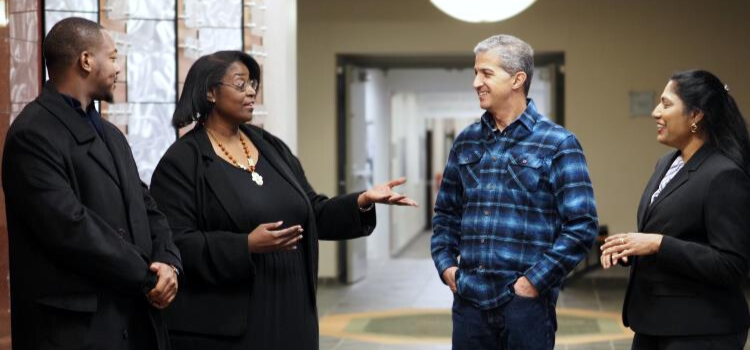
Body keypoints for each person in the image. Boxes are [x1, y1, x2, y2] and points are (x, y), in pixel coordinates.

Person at [149, 50, 417, 350]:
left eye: (253, 84)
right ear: (211, 92)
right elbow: (176, 243)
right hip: (231, 324)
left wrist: (362, 202)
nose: (251, 91)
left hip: (292, 306)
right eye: (240, 84)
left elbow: (311, 211)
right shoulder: (183, 161)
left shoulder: (270, 147)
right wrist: (245, 245)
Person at [2, 17, 182, 350]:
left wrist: (169, 260)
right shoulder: (33, 134)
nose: (118, 67)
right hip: (77, 330)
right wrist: (147, 275)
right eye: (112, 56)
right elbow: (70, 228)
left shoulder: (110, 133)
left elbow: (145, 205)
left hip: (135, 320)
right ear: (86, 60)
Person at [431, 34, 598, 350]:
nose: (476, 82)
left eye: (486, 73)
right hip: (469, 304)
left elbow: (582, 225)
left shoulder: (558, 143)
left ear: (517, 79)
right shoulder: (466, 142)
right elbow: (446, 213)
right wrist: (447, 267)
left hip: (526, 307)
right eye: (476, 72)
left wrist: (533, 282)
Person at [600, 70, 750, 350]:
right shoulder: (666, 163)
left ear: (695, 116)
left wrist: (658, 244)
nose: (656, 112)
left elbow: (732, 265)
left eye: (666, 104)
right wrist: (630, 248)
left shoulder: (724, 174)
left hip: (701, 330)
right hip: (654, 323)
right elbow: (671, 232)